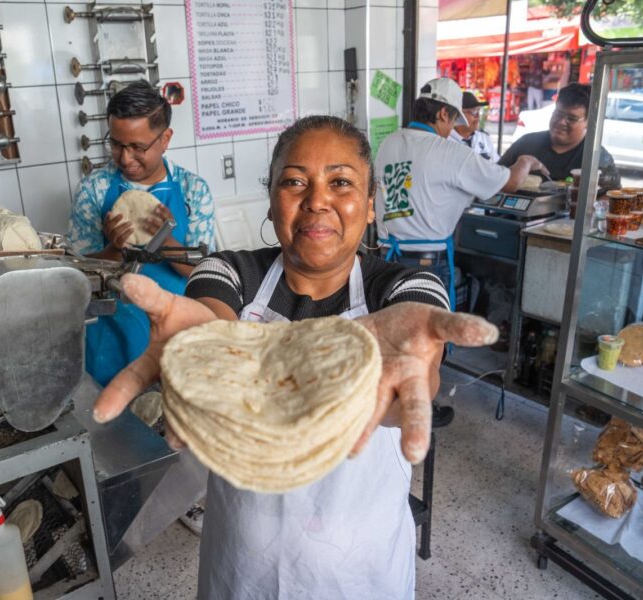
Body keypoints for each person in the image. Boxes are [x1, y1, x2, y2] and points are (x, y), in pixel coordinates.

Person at [92, 115, 499, 599]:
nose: (317, 200)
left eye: (341, 182)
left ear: (371, 204)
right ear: (271, 199)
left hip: (361, 574)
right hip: (241, 569)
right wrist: (202, 345)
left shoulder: (404, 288)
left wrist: (401, 381)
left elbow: (416, 362)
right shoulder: (231, 271)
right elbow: (212, 319)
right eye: (294, 182)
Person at [68, 80, 215, 535]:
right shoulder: (96, 189)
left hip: (174, 329)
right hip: (113, 331)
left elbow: (207, 272)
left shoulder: (191, 190)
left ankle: (186, 499)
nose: (125, 158)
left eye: (138, 147)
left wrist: (166, 243)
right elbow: (77, 273)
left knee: (179, 420)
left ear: (165, 138)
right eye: (116, 144)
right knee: (117, 431)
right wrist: (113, 250)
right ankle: (120, 510)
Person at [374, 77, 546, 427]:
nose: (453, 128)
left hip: (387, 257)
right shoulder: (449, 151)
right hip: (426, 264)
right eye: (453, 120)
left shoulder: (390, 142)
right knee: (428, 343)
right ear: (442, 113)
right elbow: (510, 181)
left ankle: (392, 401)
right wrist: (526, 161)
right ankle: (418, 412)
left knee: (397, 337)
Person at [499, 83, 621, 190]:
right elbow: (494, 178)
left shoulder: (597, 157)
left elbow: (611, 197)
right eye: (558, 114)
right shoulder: (526, 143)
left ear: (589, 122)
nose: (561, 122)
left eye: (571, 118)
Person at [449, 92, 499, 162]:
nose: (477, 116)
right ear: (458, 115)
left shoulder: (484, 138)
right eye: (474, 111)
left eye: (478, 110)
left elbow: (497, 164)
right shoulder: (446, 141)